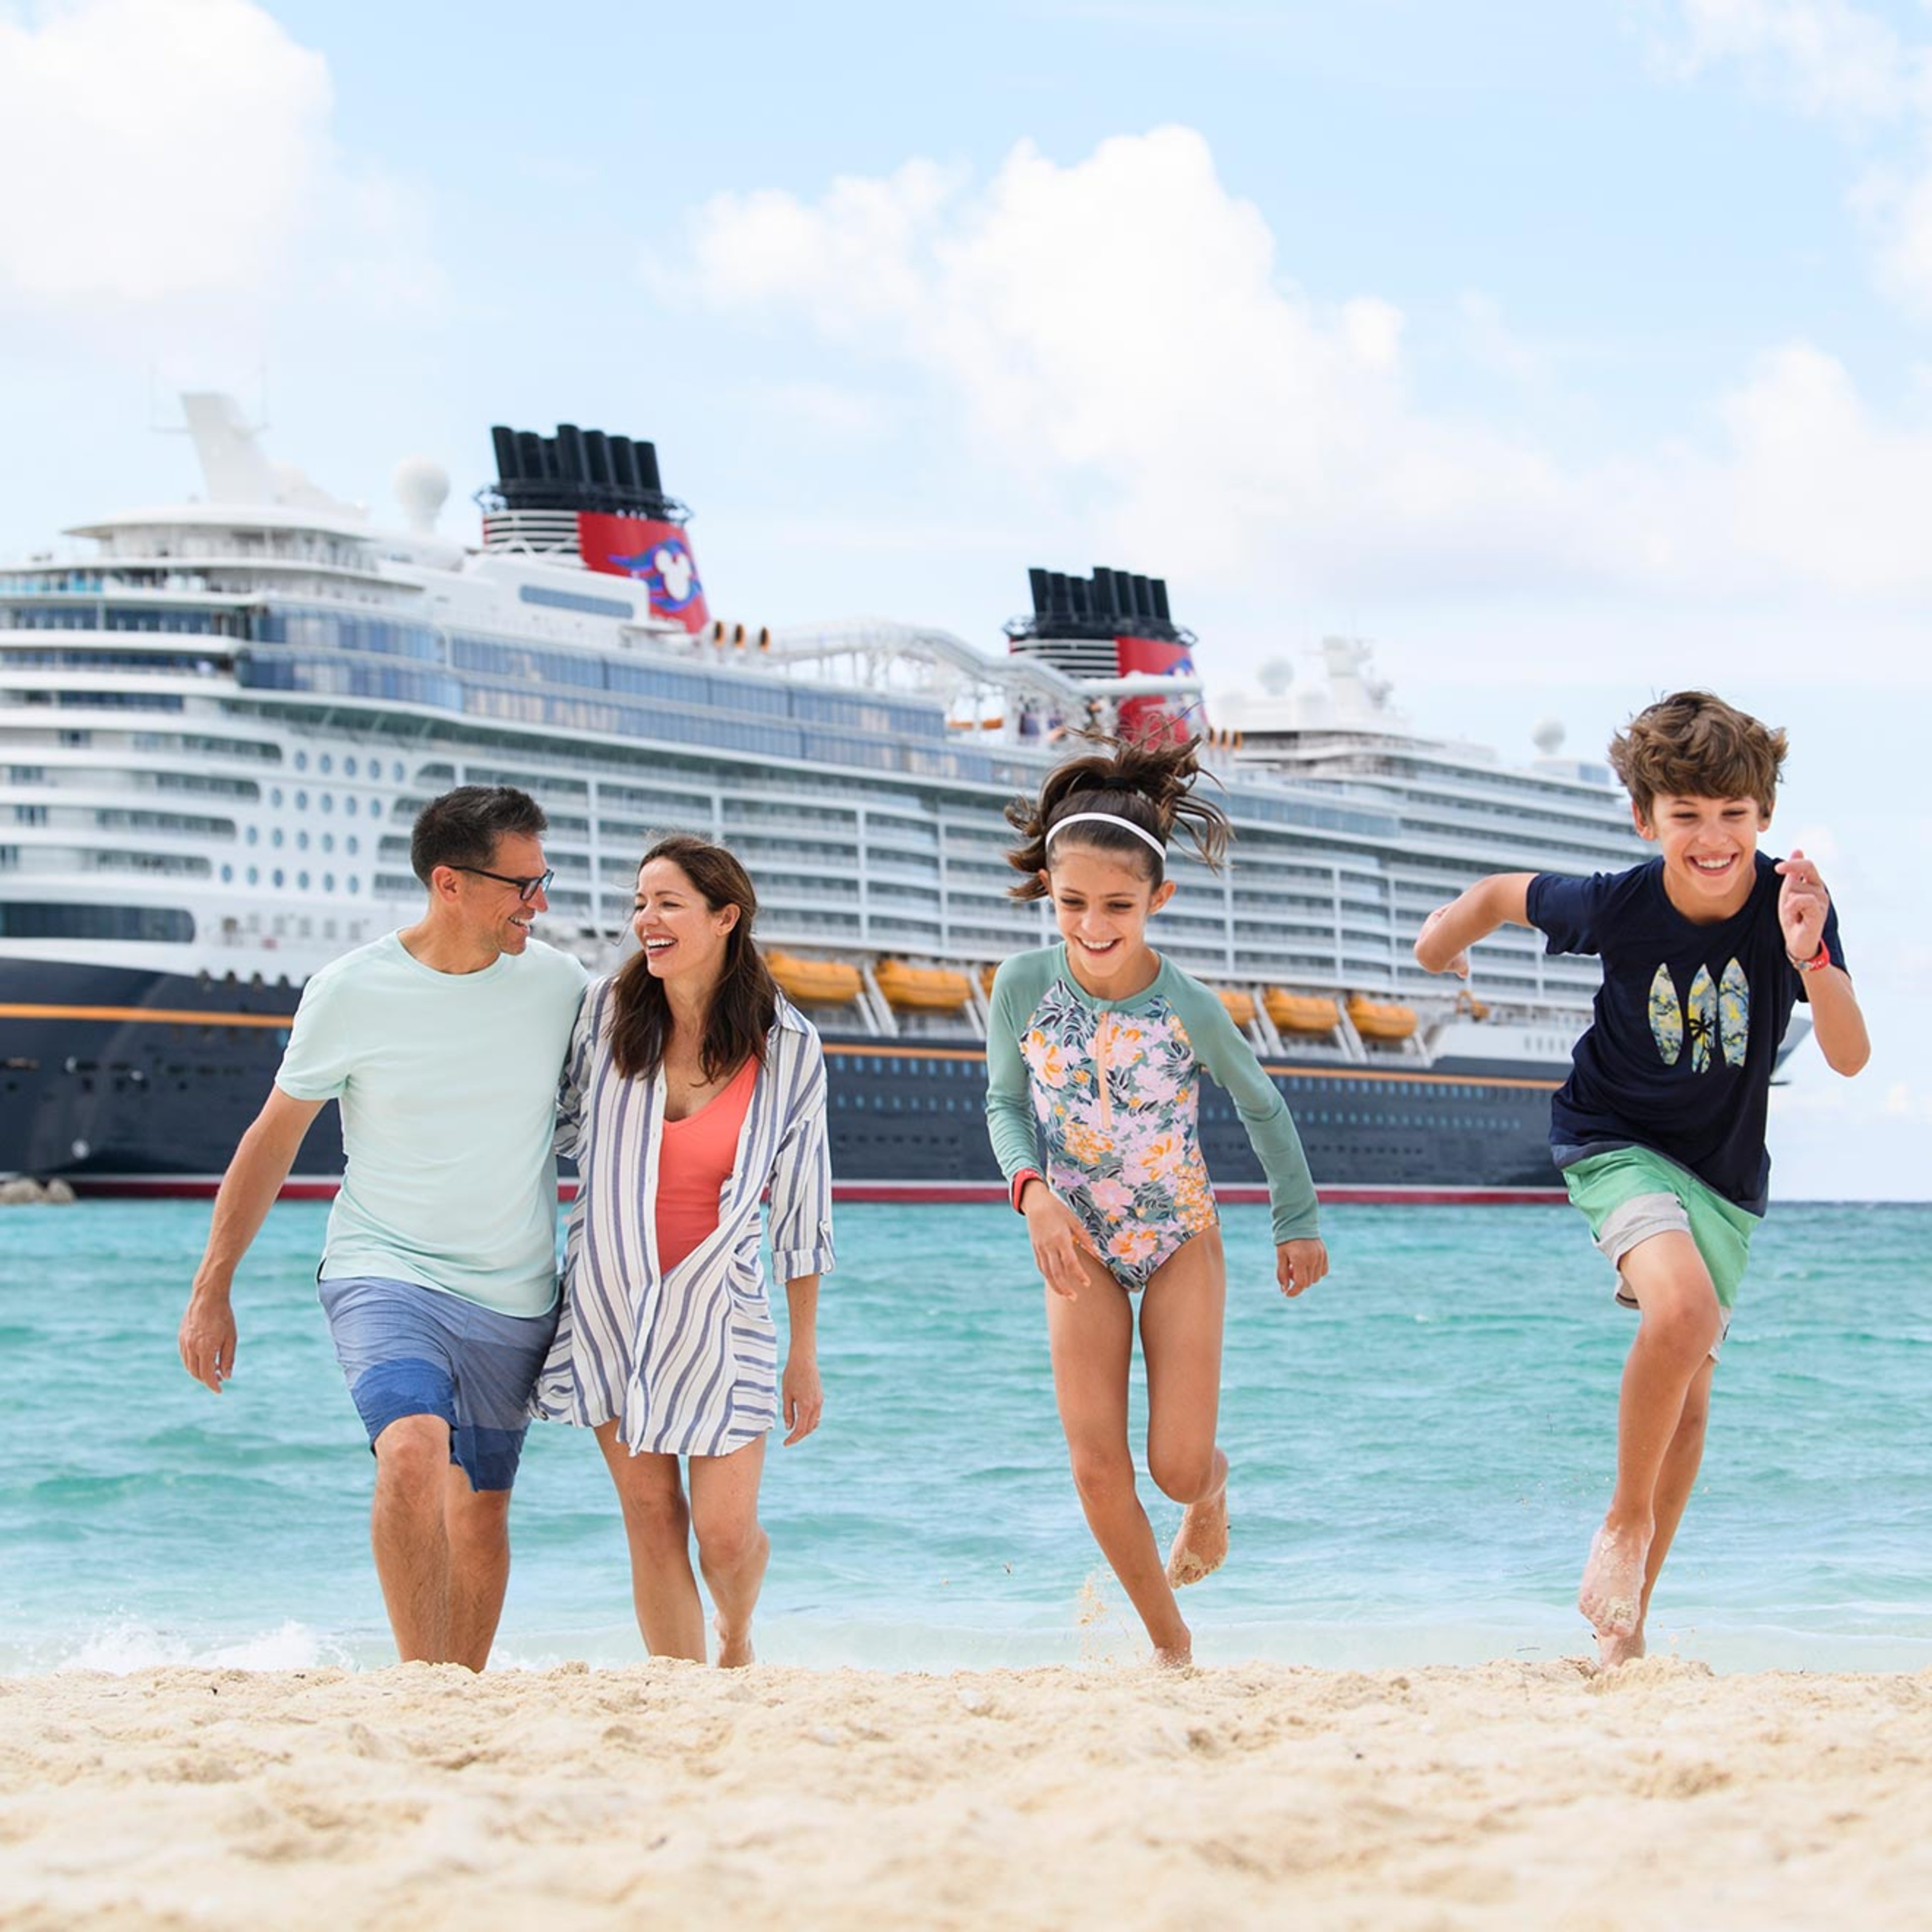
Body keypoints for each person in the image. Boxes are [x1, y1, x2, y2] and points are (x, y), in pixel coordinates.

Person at [1413, 690, 1869, 1666]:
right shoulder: (1619, 902)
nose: (1713, 838)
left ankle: (1627, 1635)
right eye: (1687, 817)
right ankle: (1622, 1520)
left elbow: (1849, 1058)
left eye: (1734, 816)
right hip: (1611, 1139)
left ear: (1764, 813)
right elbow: (1502, 893)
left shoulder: (1792, 904)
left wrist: (1811, 956)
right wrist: (1438, 942)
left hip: (1727, 1175)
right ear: (1644, 819)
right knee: (1683, 1319)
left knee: (1692, 1395)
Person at [177, 786, 587, 1670]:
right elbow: (271, 1139)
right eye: (522, 884)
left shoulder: (561, 986)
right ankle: (415, 1683)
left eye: (540, 879)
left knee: (479, 1511)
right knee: (410, 1449)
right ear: (449, 884)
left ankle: (457, 1693)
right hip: (382, 1267)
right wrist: (213, 1287)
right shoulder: (350, 989)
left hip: (514, 1290)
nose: (539, 902)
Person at [985, 734, 1329, 1669]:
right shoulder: (1019, 986)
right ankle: (1171, 1645)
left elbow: (1262, 1106)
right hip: (1077, 1243)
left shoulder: (1189, 1006)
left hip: (1179, 1236)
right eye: (1073, 905)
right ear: (1049, 896)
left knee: (1176, 1468)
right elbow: (1004, 1106)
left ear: (1158, 901)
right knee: (1097, 1466)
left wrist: (1294, 1220)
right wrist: (1035, 1195)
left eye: (1118, 907)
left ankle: (1211, 1498)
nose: (1093, 926)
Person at [532, 834, 831, 1667]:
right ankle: (680, 1692)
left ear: (725, 917)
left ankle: (735, 1630)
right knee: (650, 1517)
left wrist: (804, 1352)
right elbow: (542, 1124)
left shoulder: (790, 1046)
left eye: (667, 904)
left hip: (721, 1314)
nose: (646, 921)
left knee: (724, 1539)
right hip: (607, 1306)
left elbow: (803, 1210)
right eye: (639, 904)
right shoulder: (602, 1014)